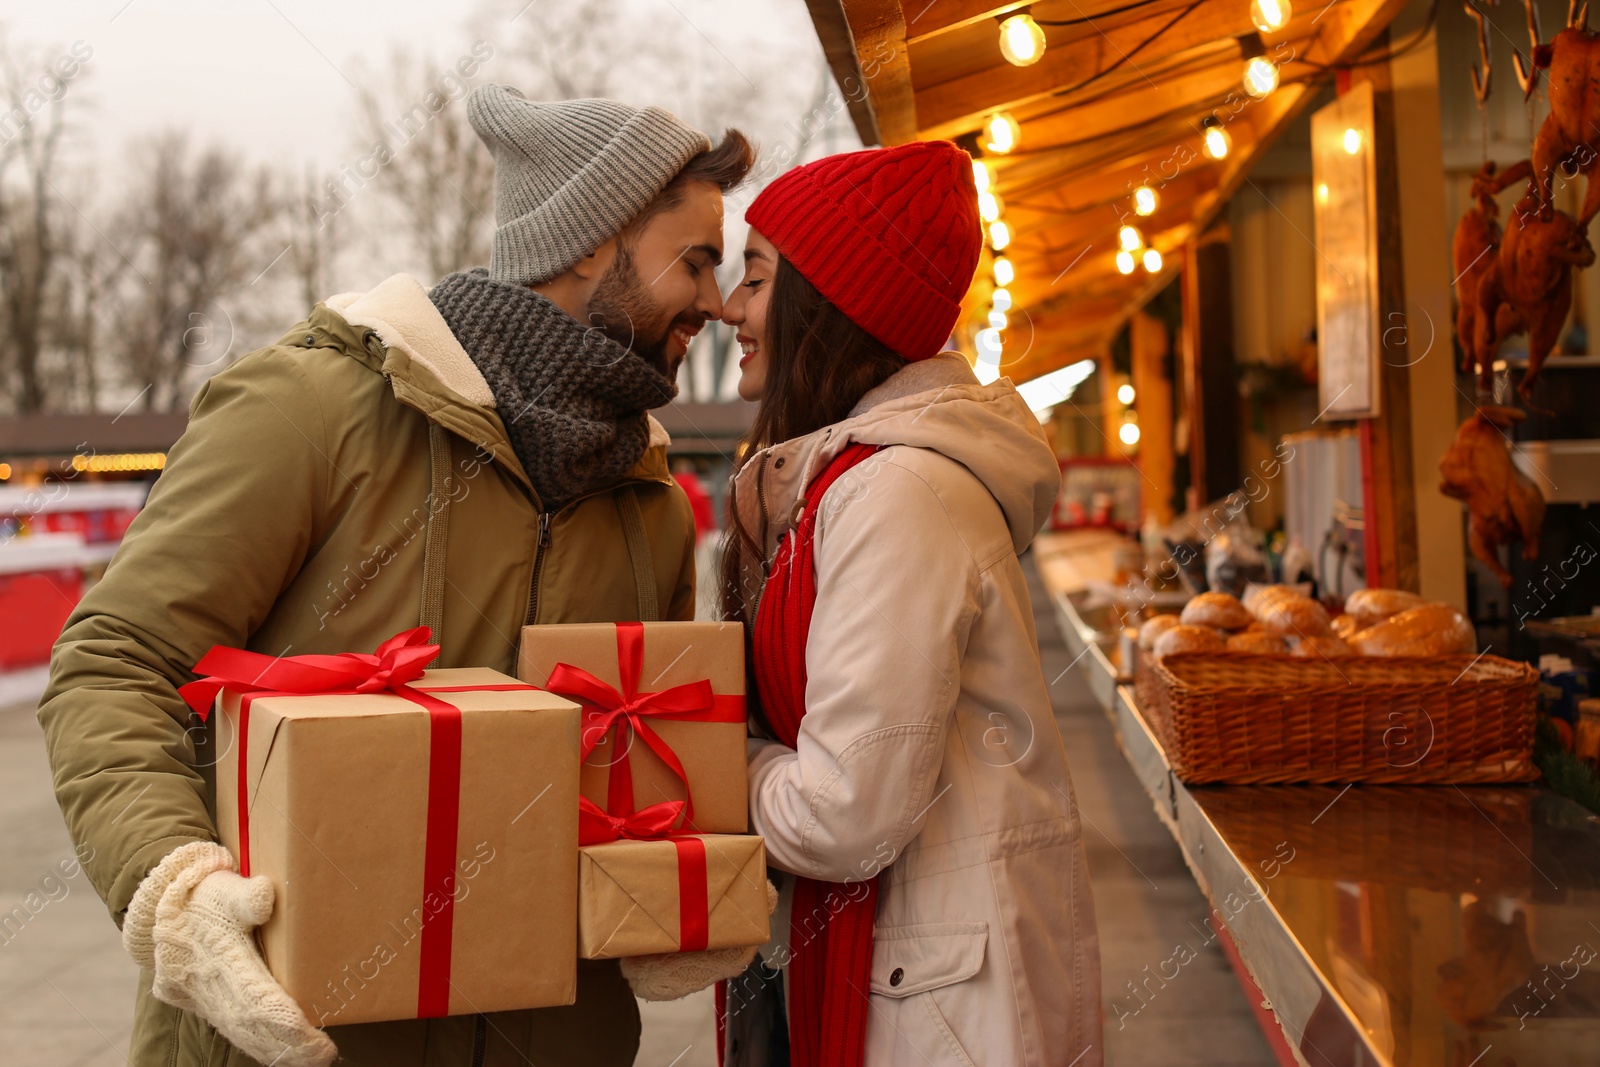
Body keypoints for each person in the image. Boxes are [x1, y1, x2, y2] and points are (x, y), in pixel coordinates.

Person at [37, 84, 752, 1067]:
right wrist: (173, 885)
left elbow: (627, 776)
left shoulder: (649, 498)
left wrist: (662, 890)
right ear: (592, 239)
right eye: (697, 259)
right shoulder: (309, 409)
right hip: (288, 1039)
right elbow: (112, 658)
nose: (715, 302)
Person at [716, 140, 1103, 1066]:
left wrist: (715, 758)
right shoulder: (849, 485)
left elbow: (843, 813)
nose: (731, 307)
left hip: (933, 1003)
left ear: (828, 308)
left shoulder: (896, 497)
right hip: (913, 971)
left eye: (758, 279)